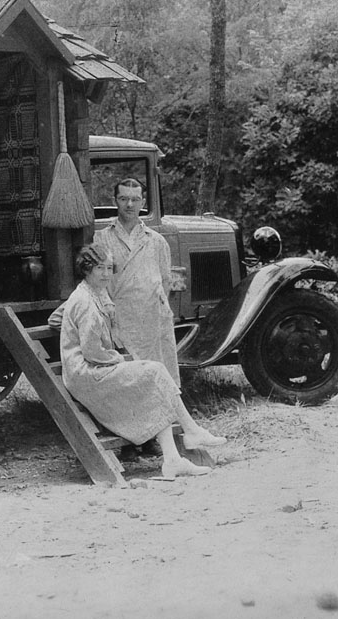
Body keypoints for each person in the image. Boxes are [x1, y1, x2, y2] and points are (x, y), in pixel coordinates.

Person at [58, 244, 226, 479]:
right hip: (86, 373)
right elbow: (92, 351)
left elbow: (59, 317)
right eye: (99, 268)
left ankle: (173, 459)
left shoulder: (91, 293)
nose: (106, 274)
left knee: (152, 379)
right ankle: (192, 431)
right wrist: (115, 358)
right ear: (87, 269)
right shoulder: (85, 300)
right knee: (154, 371)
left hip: (91, 368)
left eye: (109, 268)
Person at [93, 177, 180, 384]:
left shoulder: (156, 241)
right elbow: (97, 284)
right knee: (127, 378)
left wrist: (159, 310)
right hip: (120, 318)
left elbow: (166, 280)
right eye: (124, 199)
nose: (129, 205)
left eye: (135, 199)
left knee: (157, 375)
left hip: (151, 321)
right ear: (115, 200)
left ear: (142, 202)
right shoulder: (102, 238)